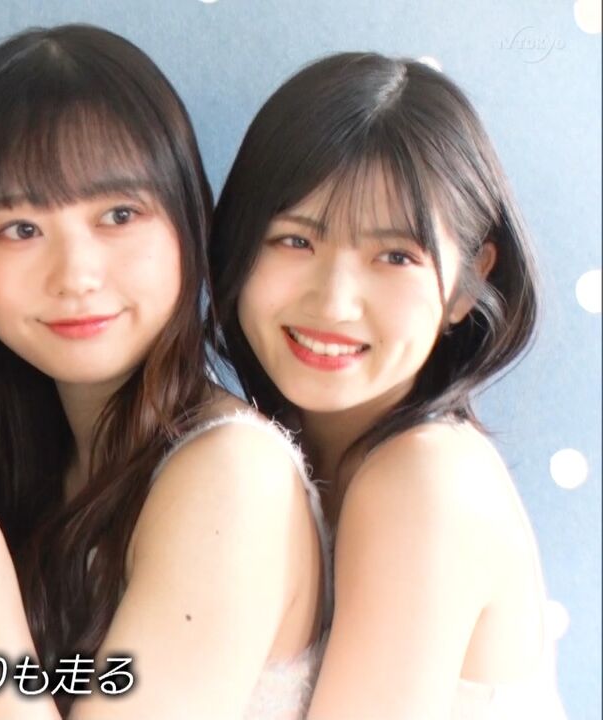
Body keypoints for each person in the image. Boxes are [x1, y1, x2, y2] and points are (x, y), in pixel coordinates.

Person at [0, 25, 332, 718]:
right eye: (21, 228)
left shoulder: (232, 473)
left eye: (118, 215)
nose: (76, 275)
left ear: (188, 219)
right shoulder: (20, 457)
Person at [208, 52, 565, 718]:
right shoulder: (258, 459)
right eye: (295, 241)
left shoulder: (426, 479)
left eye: (395, 256)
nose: (335, 302)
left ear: (467, 283)